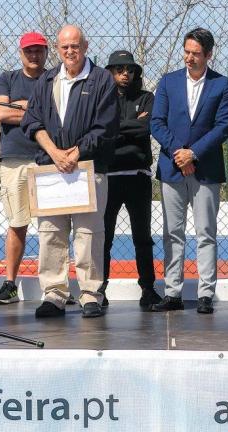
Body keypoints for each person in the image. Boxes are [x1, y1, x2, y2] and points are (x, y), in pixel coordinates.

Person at [21, 25, 119, 318]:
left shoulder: (101, 79)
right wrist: (54, 153)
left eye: (75, 46)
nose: (70, 52)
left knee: (89, 234)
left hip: (88, 169)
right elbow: (32, 121)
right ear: (58, 49)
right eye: (64, 47)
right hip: (50, 170)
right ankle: (54, 294)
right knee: (51, 233)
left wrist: (75, 154)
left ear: (85, 46)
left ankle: (90, 294)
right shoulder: (47, 79)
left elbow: (107, 126)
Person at [150, 27, 228, 314]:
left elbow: (223, 127)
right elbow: (156, 122)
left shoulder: (222, 85)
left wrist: (194, 154)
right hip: (172, 169)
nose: (189, 57)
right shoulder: (168, 82)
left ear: (208, 55)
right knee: (173, 232)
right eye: (186, 52)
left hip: (206, 170)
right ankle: (172, 292)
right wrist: (180, 154)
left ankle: (205, 294)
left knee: (205, 233)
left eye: (195, 53)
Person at [101, 49, 162, 310]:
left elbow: (146, 128)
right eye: (119, 69)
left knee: (142, 236)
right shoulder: (101, 99)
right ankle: (98, 290)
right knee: (104, 237)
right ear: (110, 72)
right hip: (109, 177)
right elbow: (101, 130)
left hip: (139, 176)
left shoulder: (146, 98)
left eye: (130, 70)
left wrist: (116, 128)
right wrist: (129, 126)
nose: (125, 74)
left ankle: (148, 289)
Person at [0, 31, 48, 304]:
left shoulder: (53, 79)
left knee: (53, 227)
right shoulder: (7, 78)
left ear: (46, 52)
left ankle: (54, 288)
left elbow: (58, 114)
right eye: (29, 51)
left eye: (38, 50)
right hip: (15, 160)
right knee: (17, 223)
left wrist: (21, 109)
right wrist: (36, 111)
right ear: (21, 53)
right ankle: (10, 283)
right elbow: (0, 113)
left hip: (48, 159)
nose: (34, 55)